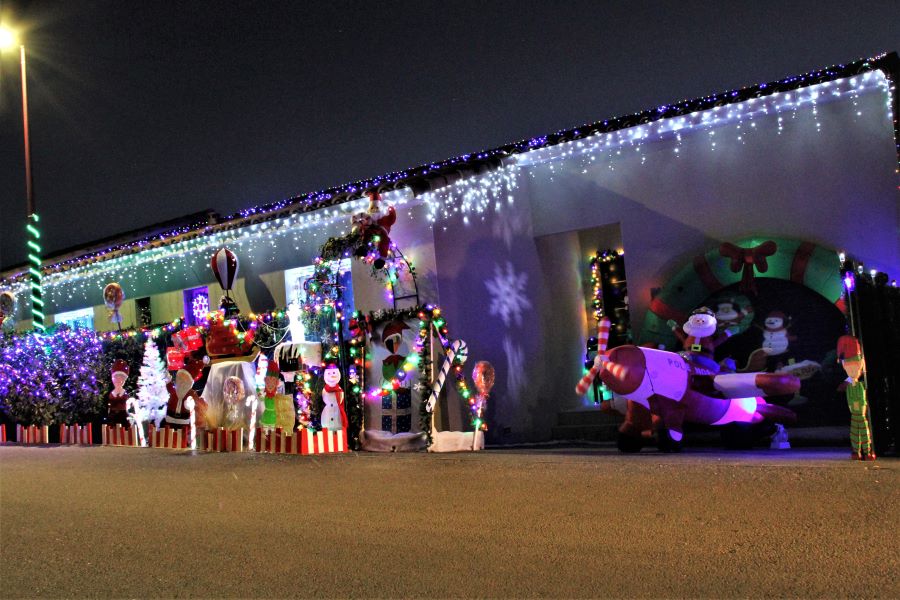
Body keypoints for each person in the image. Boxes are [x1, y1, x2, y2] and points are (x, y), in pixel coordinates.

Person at [837, 335, 875, 461]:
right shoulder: (850, 384)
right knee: (856, 429)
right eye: (848, 366)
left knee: (862, 428)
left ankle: (866, 451)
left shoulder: (858, 384)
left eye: (855, 365)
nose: (852, 369)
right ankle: (857, 451)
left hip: (859, 411)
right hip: (854, 411)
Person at [107, 359, 131, 428]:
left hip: (123, 417)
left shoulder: (124, 393)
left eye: (121, 379)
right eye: (116, 378)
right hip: (113, 418)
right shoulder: (112, 393)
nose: (118, 381)